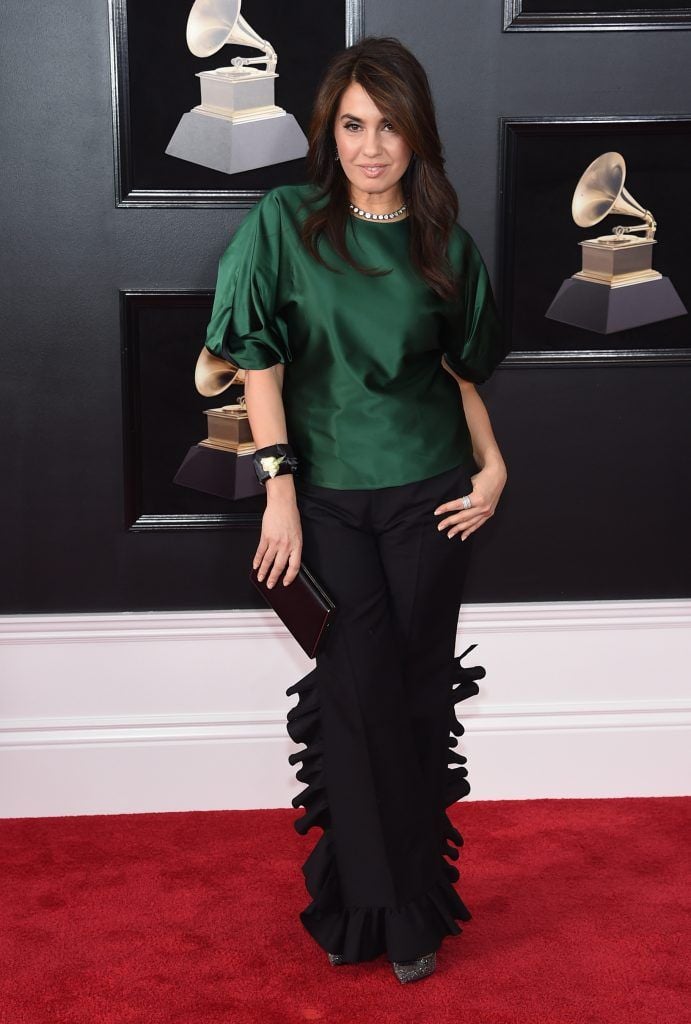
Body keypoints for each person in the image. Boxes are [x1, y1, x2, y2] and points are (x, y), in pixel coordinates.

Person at [195, 35, 510, 984]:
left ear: (418, 138)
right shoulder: (283, 221)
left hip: (433, 495)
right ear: (328, 132)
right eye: (352, 125)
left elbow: (458, 375)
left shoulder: (445, 245)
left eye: (390, 127)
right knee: (353, 695)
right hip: (324, 498)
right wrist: (277, 493)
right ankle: (359, 903)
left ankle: (410, 908)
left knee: (414, 697)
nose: (371, 146)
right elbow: (255, 360)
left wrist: (494, 469)